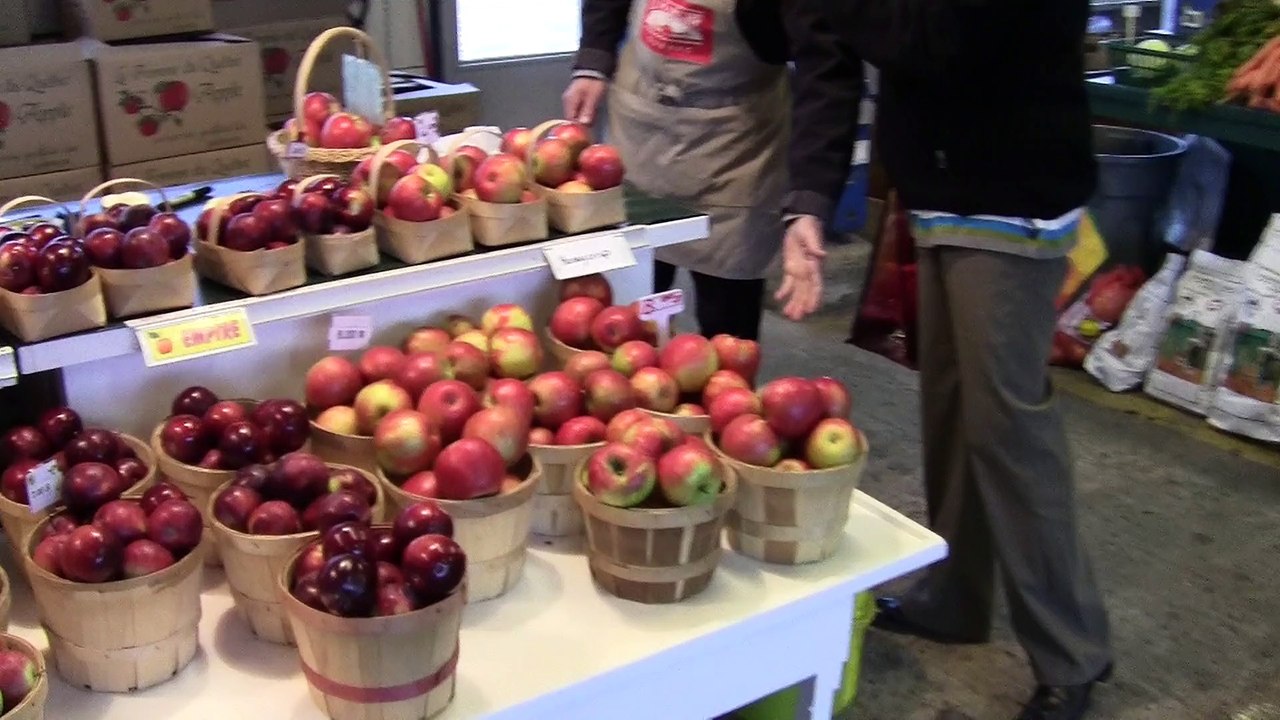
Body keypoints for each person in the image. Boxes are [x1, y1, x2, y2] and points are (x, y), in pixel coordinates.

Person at [775, 2, 1114, 720]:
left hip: (1013, 188)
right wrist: (807, 198)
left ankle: (1071, 649)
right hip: (940, 186)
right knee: (954, 405)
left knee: (1005, 422)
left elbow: (937, 38)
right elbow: (818, 49)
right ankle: (957, 596)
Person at [563, 0, 793, 341]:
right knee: (625, 315)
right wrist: (593, 61)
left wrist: (812, 202)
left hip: (734, 143)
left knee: (727, 326)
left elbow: (824, 59)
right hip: (642, 124)